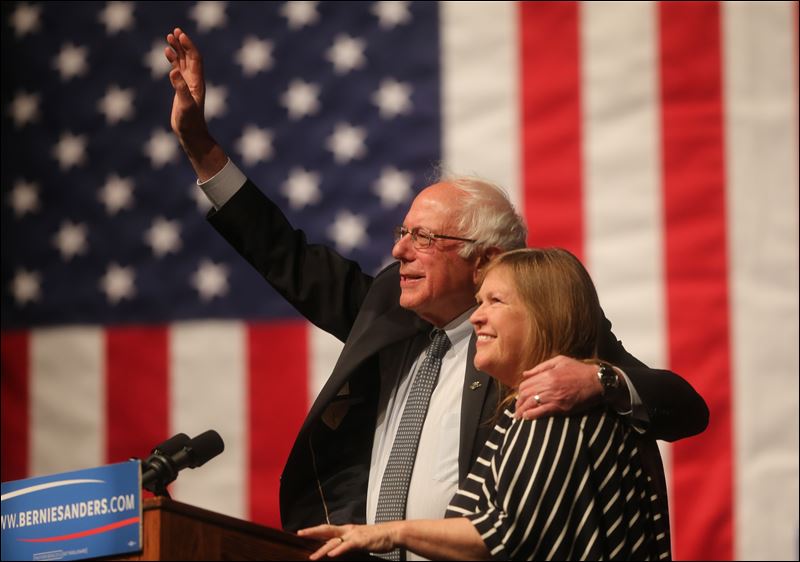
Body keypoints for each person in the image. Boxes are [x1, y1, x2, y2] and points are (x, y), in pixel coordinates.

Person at [164, 27, 708, 537]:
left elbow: (686, 408)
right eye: (403, 233)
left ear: (486, 260)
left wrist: (600, 381)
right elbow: (283, 252)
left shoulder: (543, 332)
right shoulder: (385, 308)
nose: (399, 251)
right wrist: (199, 145)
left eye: (423, 238)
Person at [298, 248, 672, 561]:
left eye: (495, 302)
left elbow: (504, 537)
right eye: (479, 302)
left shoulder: (555, 408)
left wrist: (389, 533)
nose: (476, 317)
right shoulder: (528, 405)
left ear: (545, 313)